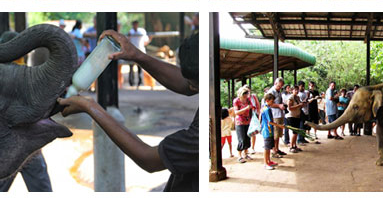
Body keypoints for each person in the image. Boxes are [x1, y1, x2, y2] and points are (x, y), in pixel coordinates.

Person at [59, 30, 199, 192]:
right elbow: (185, 82)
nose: (190, 86)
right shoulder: (205, 80)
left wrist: (90, 107)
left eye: (194, 83)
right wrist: (136, 55)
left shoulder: (199, 135)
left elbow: (148, 158)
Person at [264, 78, 287, 156]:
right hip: (274, 115)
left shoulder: (278, 91)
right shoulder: (271, 92)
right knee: (275, 134)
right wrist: (279, 105)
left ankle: (277, 149)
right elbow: (269, 104)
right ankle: (274, 151)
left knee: (279, 134)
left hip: (280, 114)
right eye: (279, 86)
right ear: (275, 83)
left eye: (281, 86)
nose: (280, 87)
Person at [260, 93, 283, 170]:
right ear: (267, 100)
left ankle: (268, 161)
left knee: (269, 147)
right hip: (268, 130)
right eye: (272, 101)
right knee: (266, 148)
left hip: (267, 130)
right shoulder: (268, 109)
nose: (273, 103)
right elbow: (270, 122)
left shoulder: (264, 107)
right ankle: (265, 163)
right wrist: (279, 125)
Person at [124, 20, 151, 88]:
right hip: (132, 51)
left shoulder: (141, 31)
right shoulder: (131, 32)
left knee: (140, 67)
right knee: (131, 67)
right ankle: (131, 82)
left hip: (140, 50)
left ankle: (139, 81)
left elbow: (146, 41)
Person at [232, 86, 254, 162]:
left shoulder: (248, 100)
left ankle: (246, 153)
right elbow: (236, 112)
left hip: (247, 121)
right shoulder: (236, 101)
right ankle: (239, 155)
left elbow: (252, 107)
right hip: (239, 122)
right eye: (244, 94)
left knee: (248, 138)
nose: (246, 95)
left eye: (246, 93)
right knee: (242, 139)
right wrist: (246, 108)